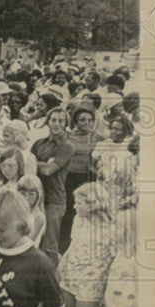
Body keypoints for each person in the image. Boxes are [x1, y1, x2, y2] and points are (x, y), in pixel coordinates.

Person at [30, 107, 75, 266]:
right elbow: (28, 166)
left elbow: (49, 170)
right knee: (32, 240)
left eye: (60, 121)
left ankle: (50, 285)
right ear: (48, 121)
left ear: (66, 124)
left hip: (54, 199)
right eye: (53, 120)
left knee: (50, 245)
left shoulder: (67, 146)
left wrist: (36, 164)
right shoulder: (39, 143)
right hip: (34, 197)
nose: (56, 124)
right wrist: (42, 163)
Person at [60, 105, 103, 251]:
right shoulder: (68, 136)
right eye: (83, 120)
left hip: (88, 177)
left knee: (87, 209)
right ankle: (65, 245)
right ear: (76, 122)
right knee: (69, 210)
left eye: (90, 120)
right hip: (69, 176)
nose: (87, 123)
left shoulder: (97, 136)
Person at [16, 175, 47, 248]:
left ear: (38, 196)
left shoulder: (39, 216)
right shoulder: (14, 210)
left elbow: (28, 243)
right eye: (23, 193)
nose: (26, 197)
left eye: (32, 194)